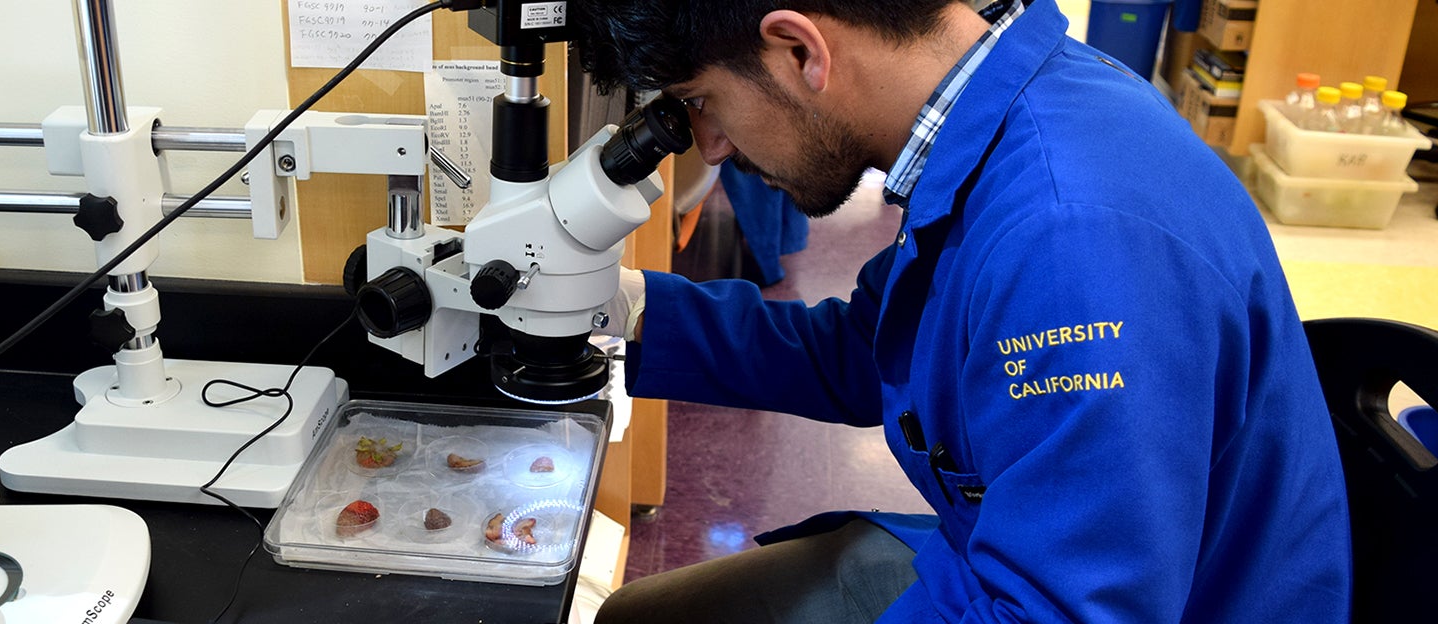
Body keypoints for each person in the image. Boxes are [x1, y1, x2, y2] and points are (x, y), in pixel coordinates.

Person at [577, 0, 1353, 621]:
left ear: (801, 51)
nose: (709, 147)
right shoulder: (1006, 112)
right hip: (1026, 558)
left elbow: (1058, 609)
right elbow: (866, 350)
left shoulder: (1070, 236)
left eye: (703, 102)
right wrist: (624, 307)